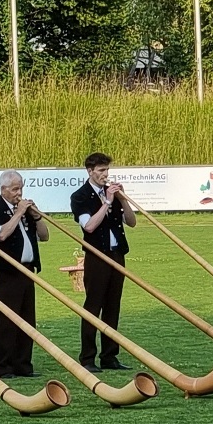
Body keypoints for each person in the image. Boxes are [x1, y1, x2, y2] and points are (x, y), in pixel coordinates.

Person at [69, 152, 136, 372]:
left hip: (117, 254)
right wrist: (107, 201)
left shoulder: (113, 194)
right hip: (96, 256)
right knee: (93, 306)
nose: (105, 175)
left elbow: (131, 222)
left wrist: (123, 200)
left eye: (106, 170)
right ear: (90, 171)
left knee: (112, 306)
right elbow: (89, 226)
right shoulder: (80, 196)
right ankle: (88, 358)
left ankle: (110, 356)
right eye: (100, 171)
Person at [0, 170, 48, 379]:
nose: (18, 193)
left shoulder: (27, 210)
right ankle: (3, 366)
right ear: (3, 189)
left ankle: (23, 364)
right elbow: (0, 235)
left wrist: (36, 216)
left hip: (28, 271)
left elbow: (45, 236)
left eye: (20, 188)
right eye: (14, 189)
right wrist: (19, 213)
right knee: (7, 320)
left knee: (27, 319)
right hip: (7, 272)